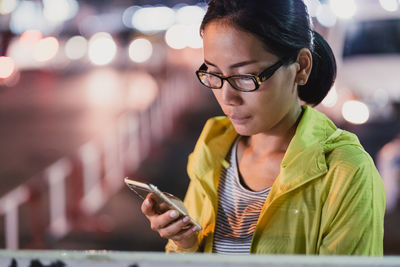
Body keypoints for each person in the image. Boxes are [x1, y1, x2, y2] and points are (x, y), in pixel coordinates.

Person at [141, 0, 385, 255]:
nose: (227, 97)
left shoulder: (346, 173)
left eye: (245, 77)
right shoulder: (213, 146)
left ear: (301, 66)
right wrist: (186, 243)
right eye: (214, 74)